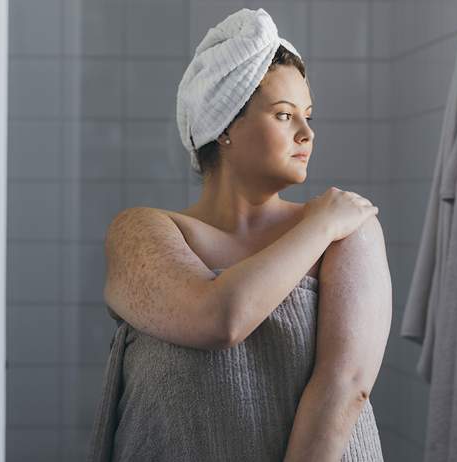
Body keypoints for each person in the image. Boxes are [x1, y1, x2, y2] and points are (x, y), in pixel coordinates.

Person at [87, 8, 391, 462]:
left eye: (308, 116)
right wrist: (320, 226)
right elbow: (219, 318)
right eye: (284, 115)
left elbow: (346, 387)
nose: (307, 133)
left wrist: (328, 224)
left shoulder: (353, 230)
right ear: (224, 126)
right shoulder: (143, 231)